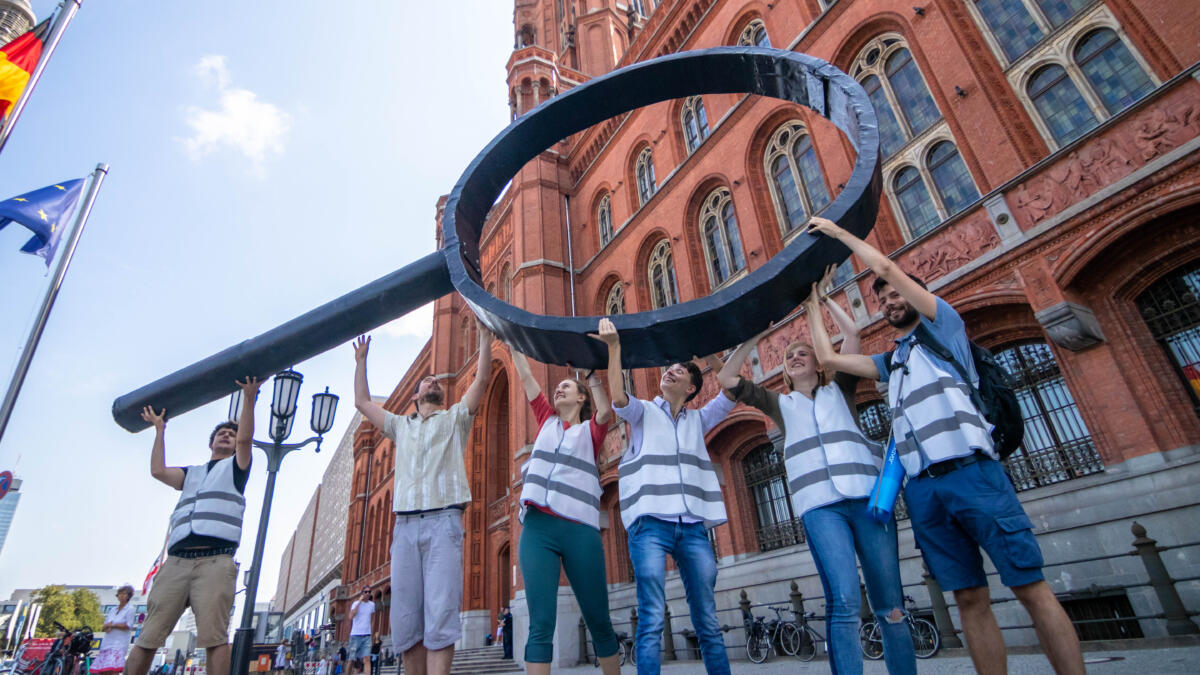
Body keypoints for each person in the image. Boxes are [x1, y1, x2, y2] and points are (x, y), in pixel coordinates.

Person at [806, 216, 1085, 675]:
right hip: (923, 491)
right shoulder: (891, 360)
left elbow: (892, 272)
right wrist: (813, 302)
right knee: (968, 597)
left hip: (973, 473)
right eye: (884, 301)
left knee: (1030, 587)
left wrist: (837, 236)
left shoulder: (944, 328)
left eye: (896, 294)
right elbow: (830, 358)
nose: (890, 301)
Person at [717, 265, 917, 675]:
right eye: (789, 357)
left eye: (802, 353)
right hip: (821, 508)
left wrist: (817, 303)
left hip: (867, 502)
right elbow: (726, 377)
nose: (794, 358)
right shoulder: (779, 405)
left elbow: (854, 335)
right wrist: (755, 336)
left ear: (818, 362)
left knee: (891, 603)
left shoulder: (839, 388)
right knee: (842, 601)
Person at [591, 318, 733, 675]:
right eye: (669, 368)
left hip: (693, 529)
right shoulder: (643, 413)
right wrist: (614, 348)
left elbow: (734, 389)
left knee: (708, 620)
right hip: (651, 526)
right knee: (652, 616)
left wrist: (712, 357)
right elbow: (619, 397)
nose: (671, 371)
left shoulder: (699, 420)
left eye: (681, 371)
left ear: (691, 388)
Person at [352, 318, 494, 675]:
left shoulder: (455, 419)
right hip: (405, 527)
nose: (433, 380)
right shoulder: (400, 426)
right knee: (405, 620)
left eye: (435, 381)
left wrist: (484, 339)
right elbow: (363, 402)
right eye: (426, 380)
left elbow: (481, 381)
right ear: (415, 396)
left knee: (442, 614)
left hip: (445, 521)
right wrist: (361, 362)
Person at [123, 376, 263, 675]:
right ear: (210, 442)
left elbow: (245, 440)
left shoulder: (237, 469)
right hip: (176, 563)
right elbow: (158, 470)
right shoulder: (191, 474)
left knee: (215, 640)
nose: (227, 436)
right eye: (221, 433)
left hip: (216, 560)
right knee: (148, 639)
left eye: (231, 434)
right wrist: (160, 430)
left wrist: (249, 398)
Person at [507, 347, 621, 675]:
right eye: (558, 387)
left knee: (598, 619)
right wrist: (512, 339)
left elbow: (604, 410)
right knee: (540, 624)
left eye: (567, 387)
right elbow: (526, 376)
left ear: (581, 399)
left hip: (580, 531)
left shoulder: (592, 431)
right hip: (538, 530)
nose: (559, 388)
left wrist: (588, 376)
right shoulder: (546, 420)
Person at [91, 584, 137, 672]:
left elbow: (128, 625)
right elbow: (104, 626)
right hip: (107, 643)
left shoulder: (130, 609)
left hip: (119, 644)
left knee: (113, 669)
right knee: (102, 670)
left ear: (128, 596)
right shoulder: (112, 610)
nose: (122, 596)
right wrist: (107, 627)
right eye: (120, 594)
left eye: (125, 594)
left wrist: (113, 625)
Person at [347, 588, 375, 674]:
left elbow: (373, 620)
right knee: (352, 659)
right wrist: (359, 602)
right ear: (362, 593)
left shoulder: (372, 604)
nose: (368, 593)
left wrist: (372, 634)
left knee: (367, 659)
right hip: (355, 635)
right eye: (366, 592)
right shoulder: (355, 603)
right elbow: (351, 616)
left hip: (367, 636)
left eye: (369, 592)